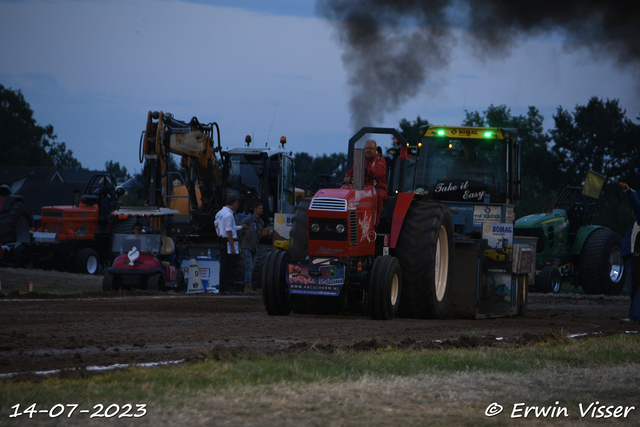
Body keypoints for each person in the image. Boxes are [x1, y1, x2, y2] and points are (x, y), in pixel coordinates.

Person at [343, 139, 388, 226]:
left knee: (378, 196)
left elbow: (377, 171)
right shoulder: (360, 160)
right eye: (366, 148)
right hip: (363, 187)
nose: (368, 151)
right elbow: (351, 172)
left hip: (378, 187)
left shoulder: (379, 160)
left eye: (370, 149)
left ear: (375, 150)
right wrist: (347, 178)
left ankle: (375, 224)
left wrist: (364, 170)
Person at [214, 195, 248, 294]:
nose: (237, 205)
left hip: (222, 239)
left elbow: (217, 225)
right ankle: (228, 286)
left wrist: (241, 227)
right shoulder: (229, 215)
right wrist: (232, 246)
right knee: (232, 264)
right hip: (229, 240)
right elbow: (229, 230)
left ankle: (224, 286)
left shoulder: (220, 213)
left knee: (225, 264)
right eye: (237, 203)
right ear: (233, 203)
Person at [619, 182, 640, 323]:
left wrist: (629, 191)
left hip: (635, 258)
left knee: (635, 289)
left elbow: (637, 206)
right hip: (633, 258)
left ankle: (634, 316)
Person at [239, 202, 265, 293]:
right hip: (246, 247)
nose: (262, 210)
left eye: (262, 208)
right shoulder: (247, 220)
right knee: (249, 266)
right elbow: (240, 232)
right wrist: (240, 245)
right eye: (260, 208)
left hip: (254, 248)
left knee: (252, 267)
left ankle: (248, 285)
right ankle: (247, 286)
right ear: (255, 209)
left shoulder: (261, 223)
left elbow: (259, 236)